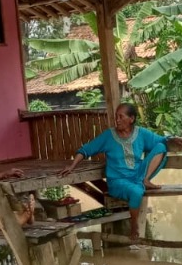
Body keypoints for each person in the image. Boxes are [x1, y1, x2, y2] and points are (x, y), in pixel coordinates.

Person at [61, 102, 172, 242]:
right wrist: (72, 166)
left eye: (121, 117)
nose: (117, 120)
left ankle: (146, 179)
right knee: (136, 192)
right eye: (116, 117)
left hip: (137, 176)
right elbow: (86, 149)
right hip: (118, 182)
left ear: (131, 119)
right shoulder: (109, 136)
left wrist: (173, 138)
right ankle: (134, 226)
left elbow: (161, 140)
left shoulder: (141, 133)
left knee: (161, 147)